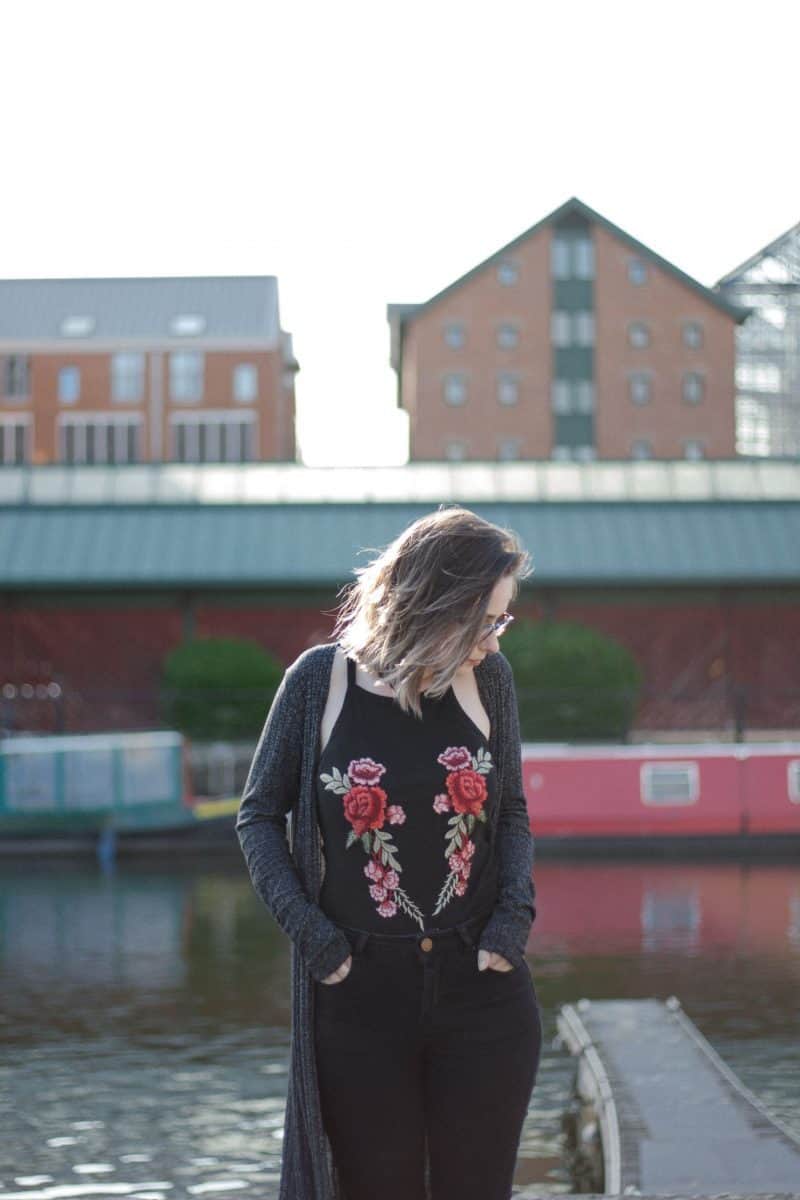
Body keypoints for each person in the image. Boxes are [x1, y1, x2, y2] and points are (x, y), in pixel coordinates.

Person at [236, 504, 542, 1200]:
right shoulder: (318, 683)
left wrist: (513, 920)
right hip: (358, 1000)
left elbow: (513, 808)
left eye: (503, 620)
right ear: (440, 606)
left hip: (484, 990)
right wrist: (317, 941)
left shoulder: (490, 682)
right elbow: (258, 816)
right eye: (488, 620)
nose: (496, 640)